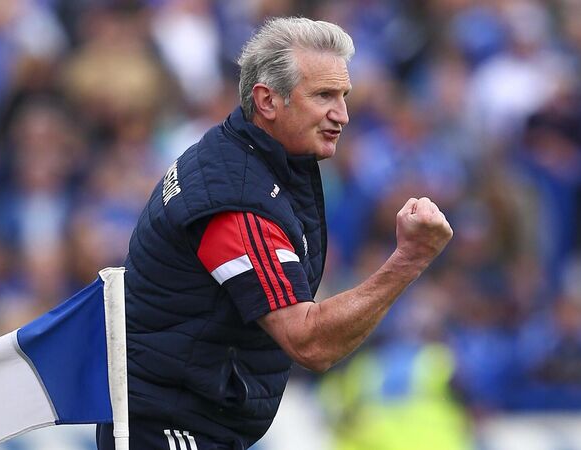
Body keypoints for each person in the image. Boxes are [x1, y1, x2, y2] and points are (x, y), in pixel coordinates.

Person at [96, 17, 453, 450]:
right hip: (169, 429)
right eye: (323, 96)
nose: (342, 115)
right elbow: (310, 342)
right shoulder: (236, 201)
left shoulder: (241, 158)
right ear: (267, 100)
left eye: (343, 96)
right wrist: (409, 259)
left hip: (186, 422)